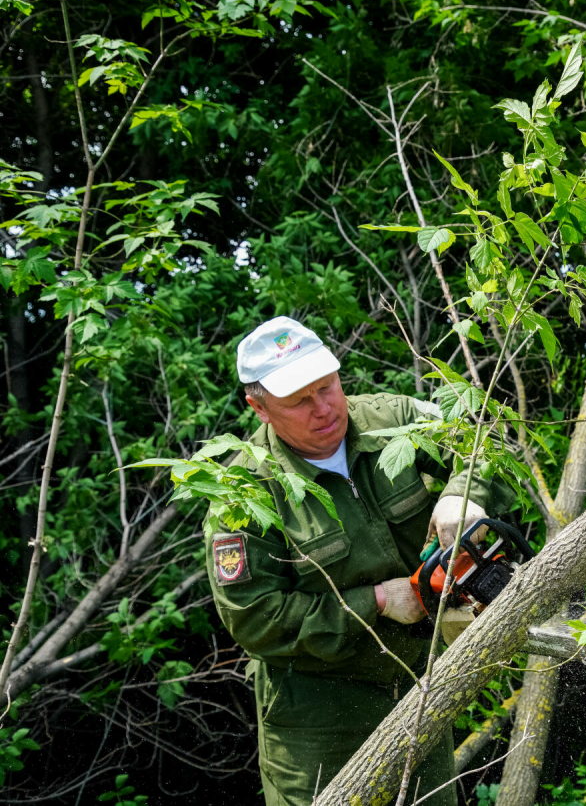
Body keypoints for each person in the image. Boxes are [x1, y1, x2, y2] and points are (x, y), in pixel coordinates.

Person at [202, 316, 514, 806]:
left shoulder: (392, 417)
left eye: (327, 387)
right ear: (258, 408)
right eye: (299, 401)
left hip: (418, 690)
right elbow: (255, 619)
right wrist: (378, 602)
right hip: (317, 719)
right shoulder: (244, 497)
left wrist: (463, 494)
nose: (323, 408)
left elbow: (484, 436)